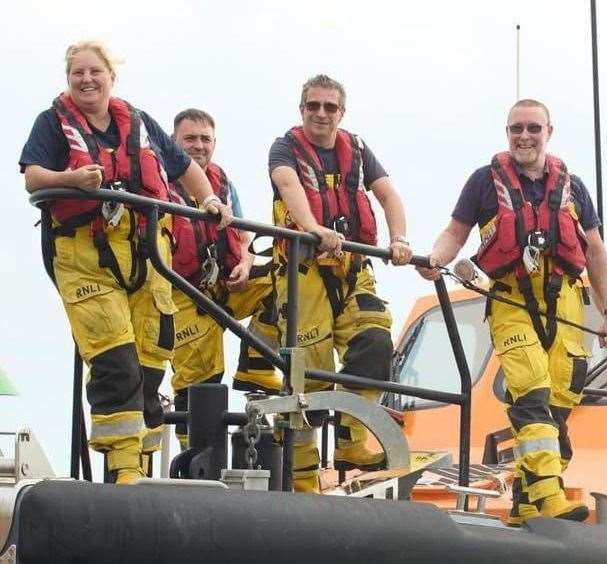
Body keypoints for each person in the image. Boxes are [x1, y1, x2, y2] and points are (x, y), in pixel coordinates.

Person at [19, 41, 232, 484]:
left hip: (147, 256)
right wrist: (71, 180)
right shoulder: (52, 124)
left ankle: (142, 467)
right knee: (116, 361)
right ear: (68, 78)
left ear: (111, 77)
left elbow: (182, 168)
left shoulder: (137, 121)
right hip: (87, 260)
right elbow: (33, 177)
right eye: (77, 72)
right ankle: (122, 472)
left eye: (95, 71)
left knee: (152, 359)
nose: (87, 79)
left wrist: (208, 198)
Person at [418, 99, 607, 525]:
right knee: (531, 391)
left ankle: (525, 504)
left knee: (560, 406)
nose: (524, 136)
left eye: (533, 128)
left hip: (566, 304)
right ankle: (549, 495)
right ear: (506, 132)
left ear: (549, 131)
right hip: (511, 301)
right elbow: (455, 233)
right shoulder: (483, 181)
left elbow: (596, 251)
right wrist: (434, 259)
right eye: (516, 129)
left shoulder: (575, 188)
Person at [269, 74, 412, 492]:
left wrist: (399, 239)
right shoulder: (285, 148)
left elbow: (388, 195)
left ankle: (351, 440)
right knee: (308, 379)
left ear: (341, 113)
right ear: (302, 110)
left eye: (330, 107)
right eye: (313, 105)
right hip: (304, 275)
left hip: (353, 271)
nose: (321, 113)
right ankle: (301, 481)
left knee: (375, 343)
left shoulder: (360, 150)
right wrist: (314, 228)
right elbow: (288, 184)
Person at [168, 108, 280, 448]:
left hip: (226, 287)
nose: (198, 146)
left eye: (205, 139)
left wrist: (245, 264)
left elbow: (245, 238)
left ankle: (255, 367)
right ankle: (193, 458)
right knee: (201, 381)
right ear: (173, 143)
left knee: (284, 278)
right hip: (183, 294)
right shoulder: (157, 181)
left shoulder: (224, 184)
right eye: (190, 139)